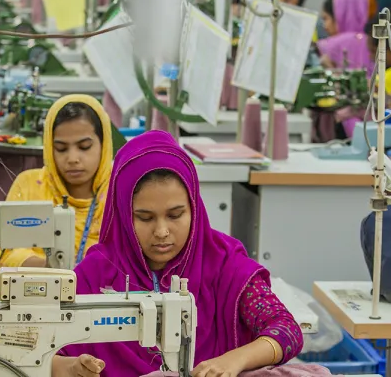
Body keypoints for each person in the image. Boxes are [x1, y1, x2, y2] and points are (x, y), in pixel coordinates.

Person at [52, 130, 303, 377]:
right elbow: (41, 346)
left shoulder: (226, 264)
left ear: (194, 207)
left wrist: (234, 360)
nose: (161, 231)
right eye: (145, 217)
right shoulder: (96, 272)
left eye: (175, 215)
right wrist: (67, 367)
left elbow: (287, 330)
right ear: (124, 216)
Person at [0, 95, 113, 268]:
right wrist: (49, 268)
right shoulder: (29, 184)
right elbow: (5, 255)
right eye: (61, 149)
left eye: (84, 147)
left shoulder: (121, 190)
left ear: (104, 144)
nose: (72, 159)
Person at [317, 0, 373, 71]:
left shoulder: (328, 45)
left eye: (326, 18)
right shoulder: (373, 44)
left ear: (340, 16)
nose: (325, 26)